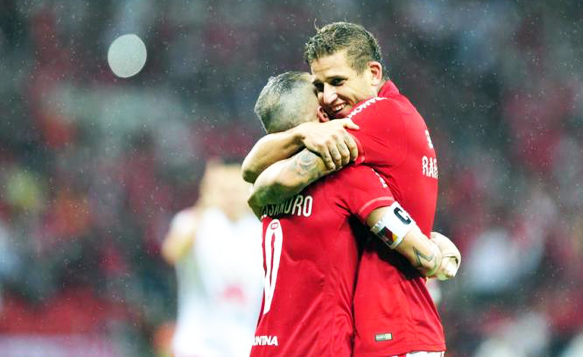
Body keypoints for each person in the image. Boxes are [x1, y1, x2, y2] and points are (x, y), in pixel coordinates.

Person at [243, 22, 451, 356]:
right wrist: (435, 253)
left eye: (338, 82)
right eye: (321, 86)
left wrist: (258, 194)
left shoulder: (378, 116)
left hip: (395, 331)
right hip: (378, 334)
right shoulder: (359, 161)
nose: (328, 98)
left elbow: (260, 177)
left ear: (373, 73)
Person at [161, 161, 263, 357]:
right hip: (197, 346)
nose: (232, 196)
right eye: (225, 189)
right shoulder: (195, 222)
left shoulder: (260, 230)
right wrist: (204, 204)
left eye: (237, 189)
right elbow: (172, 252)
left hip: (243, 347)